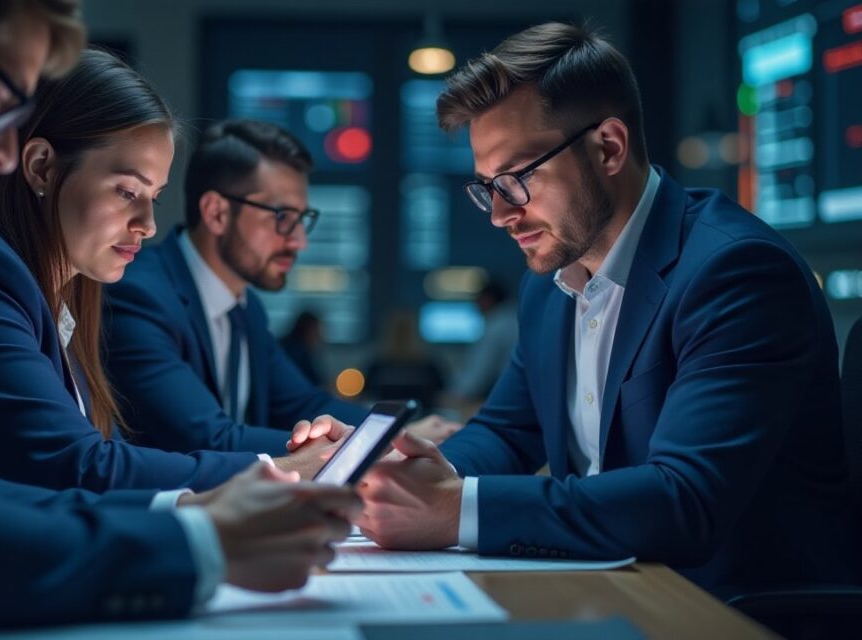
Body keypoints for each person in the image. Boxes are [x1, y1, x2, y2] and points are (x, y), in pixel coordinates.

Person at [0, 1, 356, 631]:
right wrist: (210, 528)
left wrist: (197, 511)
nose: (2, 148)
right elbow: (68, 469)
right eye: (1, 98)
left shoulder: (38, 286)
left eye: (154, 197)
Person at [298, 22, 861, 596]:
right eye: (487, 186)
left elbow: (684, 499)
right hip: (615, 585)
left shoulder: (736, 272)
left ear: (609, 147)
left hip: (732, 608)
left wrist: (454, 510)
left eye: (516, 179)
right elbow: (508, 431)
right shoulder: (550, 283)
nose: (499, 214)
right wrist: (398, 471)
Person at [0, 49, 343, 494]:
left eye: (154, 197)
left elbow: (107, 455)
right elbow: (77, 466)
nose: (148, 225)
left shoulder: (55, 292)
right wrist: (280, 471)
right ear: (41, 167)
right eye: (127, 192)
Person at [103, 119, 370, 456]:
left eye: (302, 219)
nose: (299, 240)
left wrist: (398, 434)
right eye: (282, 216)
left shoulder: (246, 308)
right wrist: (353, 448)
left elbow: (304, 403)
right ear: (216, 213)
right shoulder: (140, 294)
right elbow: (209, 439)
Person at [445, 280, 516, 405]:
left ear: (487, 300)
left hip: (508, 399)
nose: (475, 305)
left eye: (478, 300)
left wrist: (451, 396)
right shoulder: (513, 318)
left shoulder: (497, 326)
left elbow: (475, 381)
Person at [280, 309, 325, 385]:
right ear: (308, 330)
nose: (319, 337)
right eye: (316, 332)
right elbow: (314, 383)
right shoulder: (298, 353)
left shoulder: (289, 346)